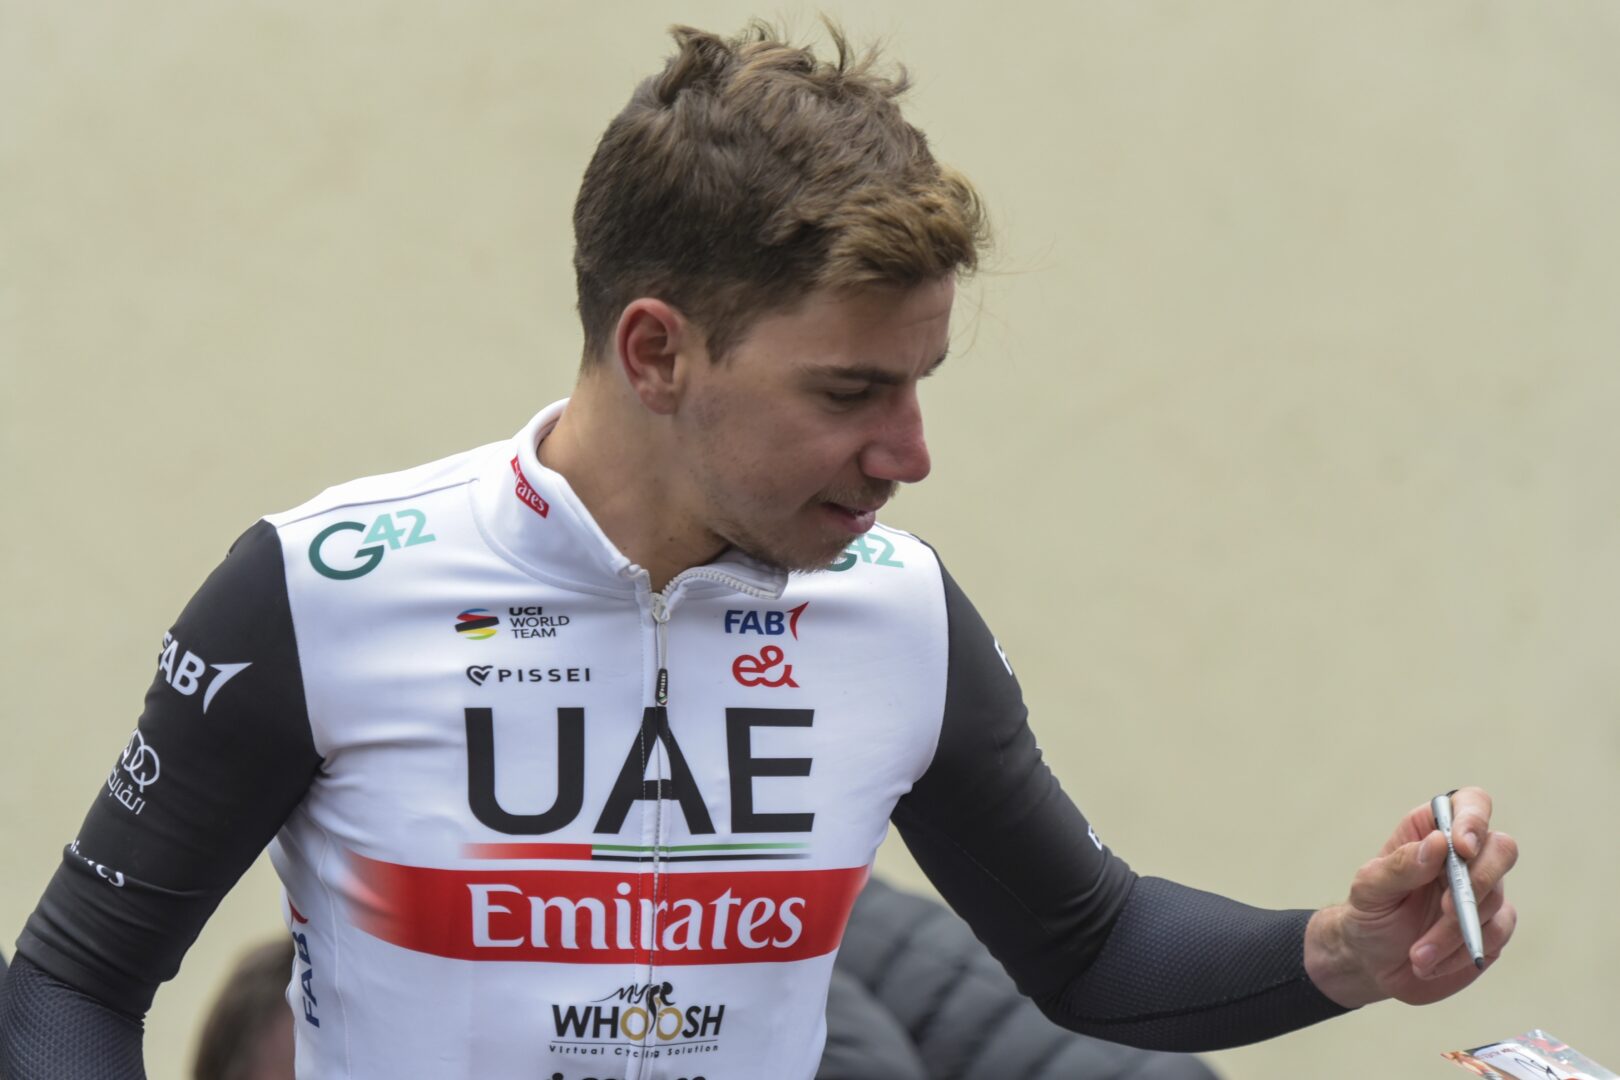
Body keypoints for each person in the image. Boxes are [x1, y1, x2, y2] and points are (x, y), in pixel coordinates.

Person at [1, 20, 1518, 1079]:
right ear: (656, 350)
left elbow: (1092, 947)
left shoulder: (897, 613)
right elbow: (73, 982)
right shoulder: (323, 589)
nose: (909, 453)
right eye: (849, 393)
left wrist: (1345, 951)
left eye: (920, 384)